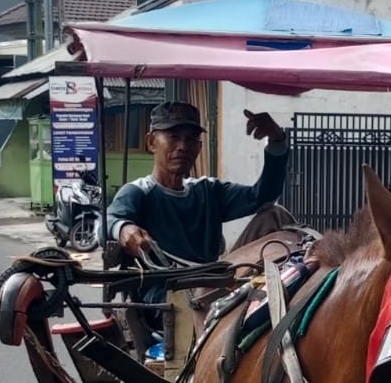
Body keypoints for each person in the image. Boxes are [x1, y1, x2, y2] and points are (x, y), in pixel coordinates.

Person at [106, 100, 290, 266]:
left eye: (191, 138)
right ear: (151, 142)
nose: (183, 146)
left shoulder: (208, 191)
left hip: (214, 283)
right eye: (173, 136)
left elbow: (263, 196)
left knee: (274, 214)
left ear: (199, 147)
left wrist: (277, 141)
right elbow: (108, 221)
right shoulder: (138, 192)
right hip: (166, 293)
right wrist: (122, 228)